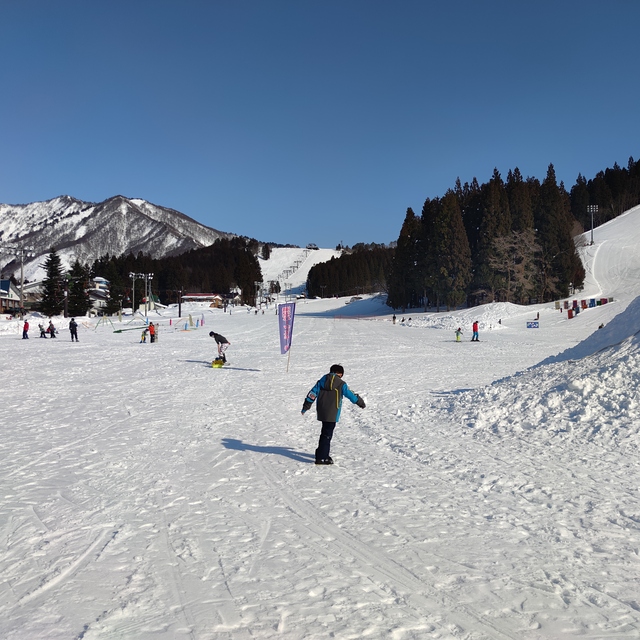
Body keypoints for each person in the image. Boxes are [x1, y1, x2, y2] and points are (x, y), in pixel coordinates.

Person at [301, 364, 366, 465]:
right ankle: (322, 458)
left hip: (322, 411)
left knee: (324, 432)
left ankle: (320, 453)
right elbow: (351, 395)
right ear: (340, 374)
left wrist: (306, 406)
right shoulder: (341, 384)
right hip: (333, 412)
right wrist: (360, 403)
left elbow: (312, 393)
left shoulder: (321, 381)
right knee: (327, 434)